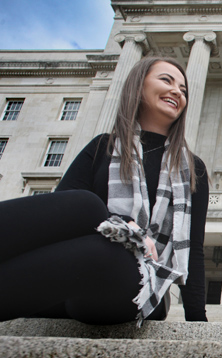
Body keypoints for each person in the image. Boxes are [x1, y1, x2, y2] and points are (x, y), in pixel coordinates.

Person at [0, 57, 209, 325]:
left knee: (108, 246)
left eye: (183, 90)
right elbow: (62, 223)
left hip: (142, 290)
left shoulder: (193, 168)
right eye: (166, 80)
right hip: (80, 276)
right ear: (138, 86)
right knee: (84, 207)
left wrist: (197, 321)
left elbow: (194, 249)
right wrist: (125, 228)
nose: (177, 92)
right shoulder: (102, 147)